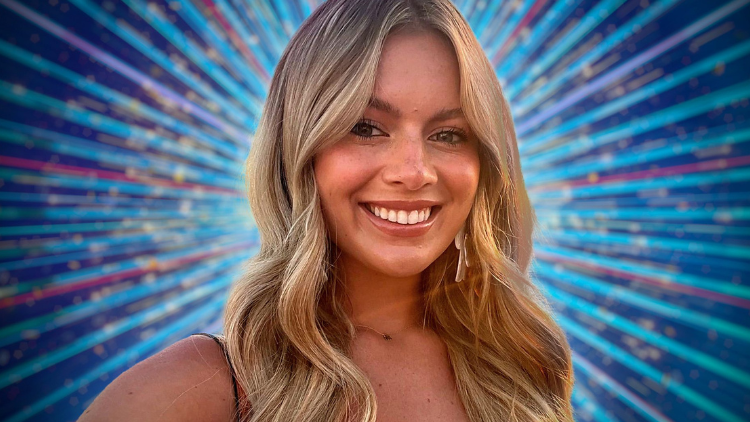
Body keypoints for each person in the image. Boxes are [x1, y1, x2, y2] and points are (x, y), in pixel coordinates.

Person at [78, 0, 574, 421]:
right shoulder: (196, 389)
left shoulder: (525, 367)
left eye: (448, 135)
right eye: (365, 127)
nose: (414, 171)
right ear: (298, 148)